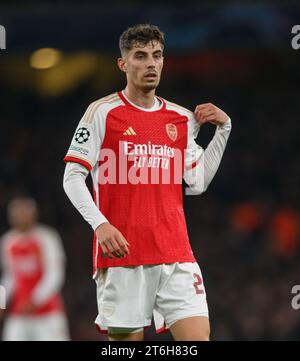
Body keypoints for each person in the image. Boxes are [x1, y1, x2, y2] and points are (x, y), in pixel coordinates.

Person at [63, 23, 232, 341]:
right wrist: (100, 225)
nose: (151, 63)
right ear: (123, 64)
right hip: (124, 258)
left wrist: (224, 130)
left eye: (157, 55)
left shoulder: (180, 119)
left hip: (177, 255)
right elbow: (72, 177)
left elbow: (197, 183)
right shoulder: (102, 113)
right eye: (140, 56)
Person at [0, 196, 70, 341]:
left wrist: (35, 300)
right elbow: (9, 277)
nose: (20, 216)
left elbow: (55, 275)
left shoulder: (47, 237)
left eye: (24, 212)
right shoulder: (7, 241)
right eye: (16, 213)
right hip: (19, 314)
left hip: (48, 314)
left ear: (34, 214)